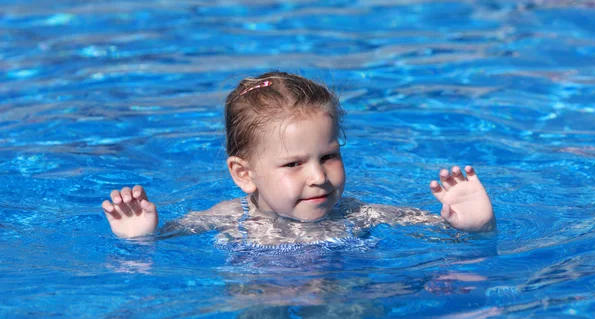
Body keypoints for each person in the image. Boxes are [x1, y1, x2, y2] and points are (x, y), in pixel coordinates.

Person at [102, 72, 496, 246]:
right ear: (244, 174)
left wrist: (475, 225)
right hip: (258, 296)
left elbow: (445, 235)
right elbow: (165, 242)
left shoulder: (361, 214)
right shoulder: (229, 219)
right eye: (293, 164)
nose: (318, 178)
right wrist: (141, 238)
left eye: (328, 156)